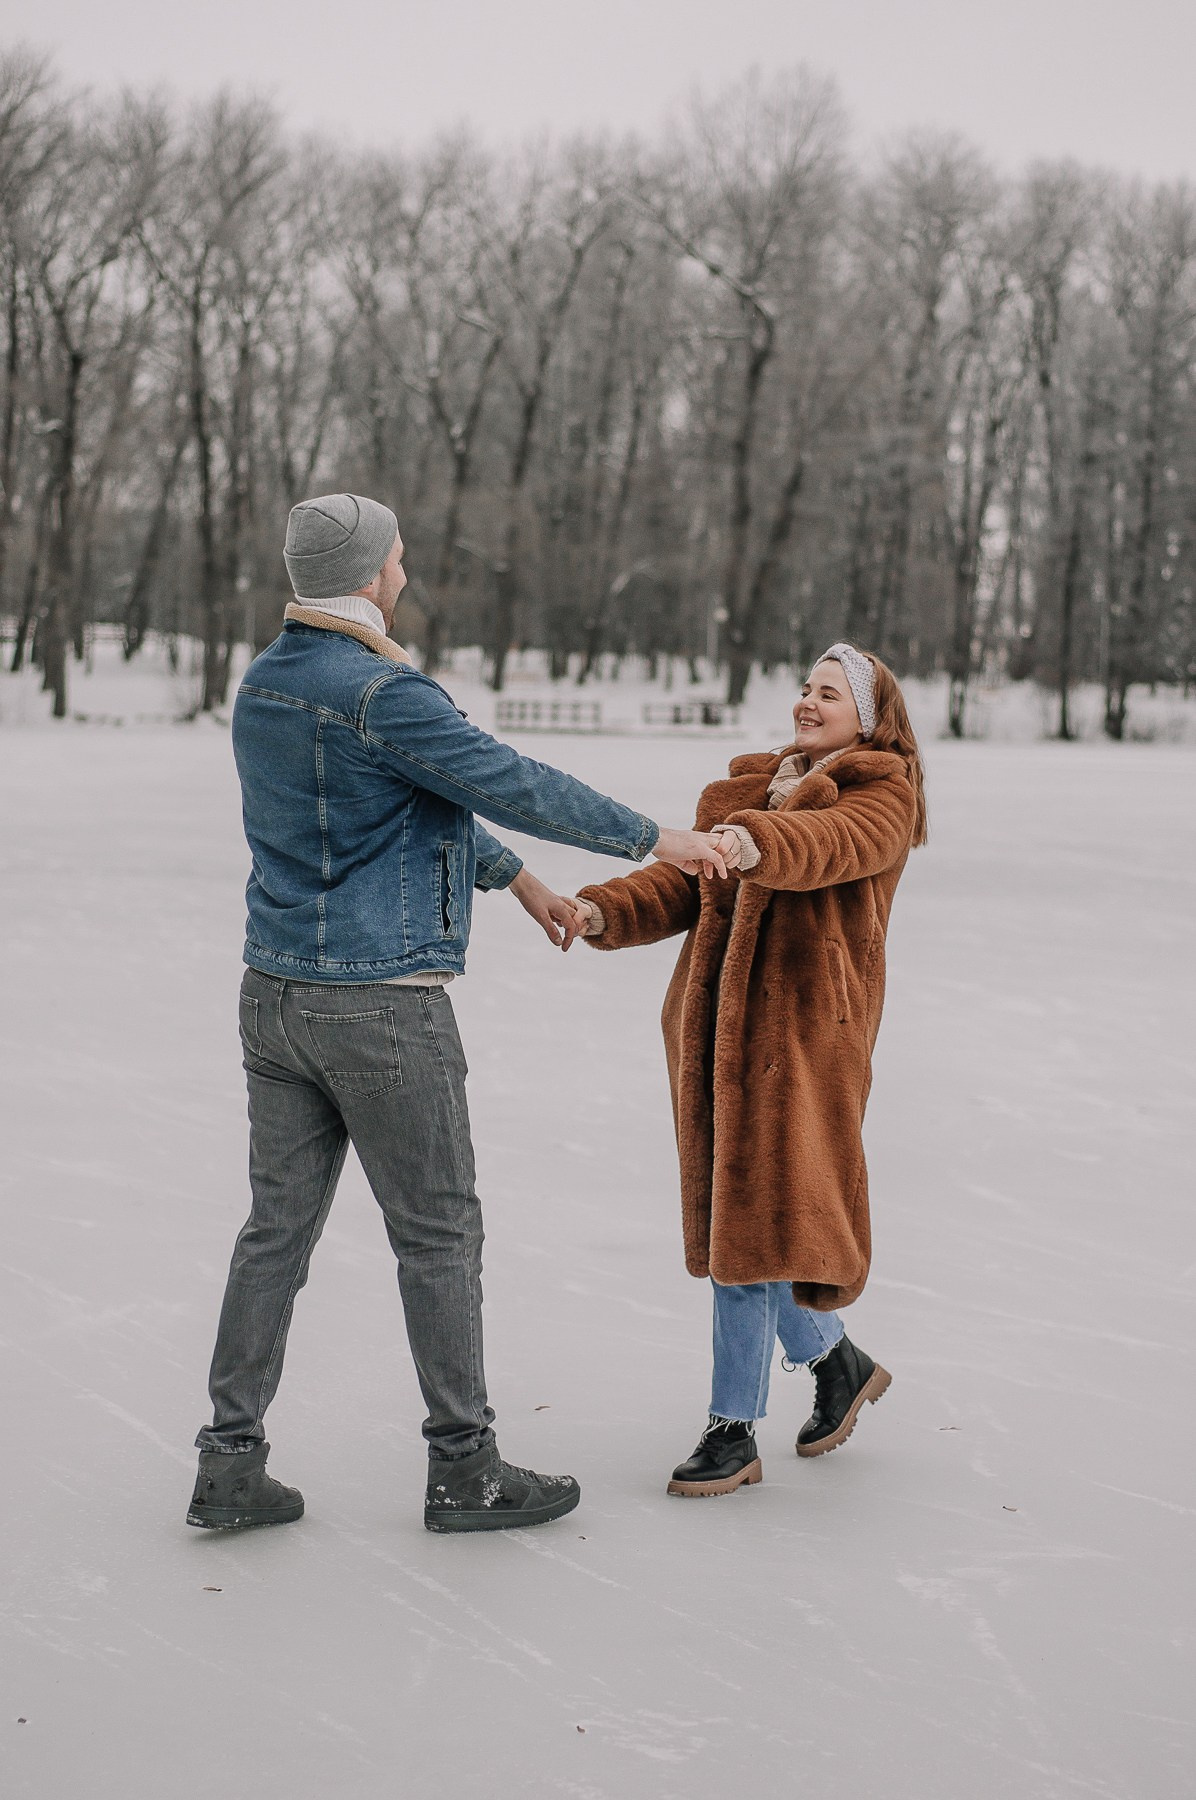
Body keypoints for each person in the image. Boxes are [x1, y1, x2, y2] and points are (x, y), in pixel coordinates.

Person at [187, 493, 725, 1536]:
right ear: (373, 570)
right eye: (396, 556)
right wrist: (662, 839)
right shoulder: (384, 689)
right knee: (438, 1235)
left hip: (275, 999)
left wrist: (519, 884)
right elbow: (508, 780)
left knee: (274, 1235)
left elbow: (401, 806)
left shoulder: (266, 682)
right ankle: (464, 1467)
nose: (404, 568)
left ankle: (228, 1460)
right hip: (380, 1007)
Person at [572, 644, 927, 1496]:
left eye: (829, 693)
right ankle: (837, 1361)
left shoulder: (881, 793)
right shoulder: (743, 789)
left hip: (807, 1038)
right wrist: (600, 910)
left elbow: (827, 844)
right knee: (751, 1213)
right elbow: (680, 881)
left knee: (745, 1227)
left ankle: (732, 1428)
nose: (807, 701)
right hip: (714, 1034)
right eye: (804, 686)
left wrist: (754, 839)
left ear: (868, 717)